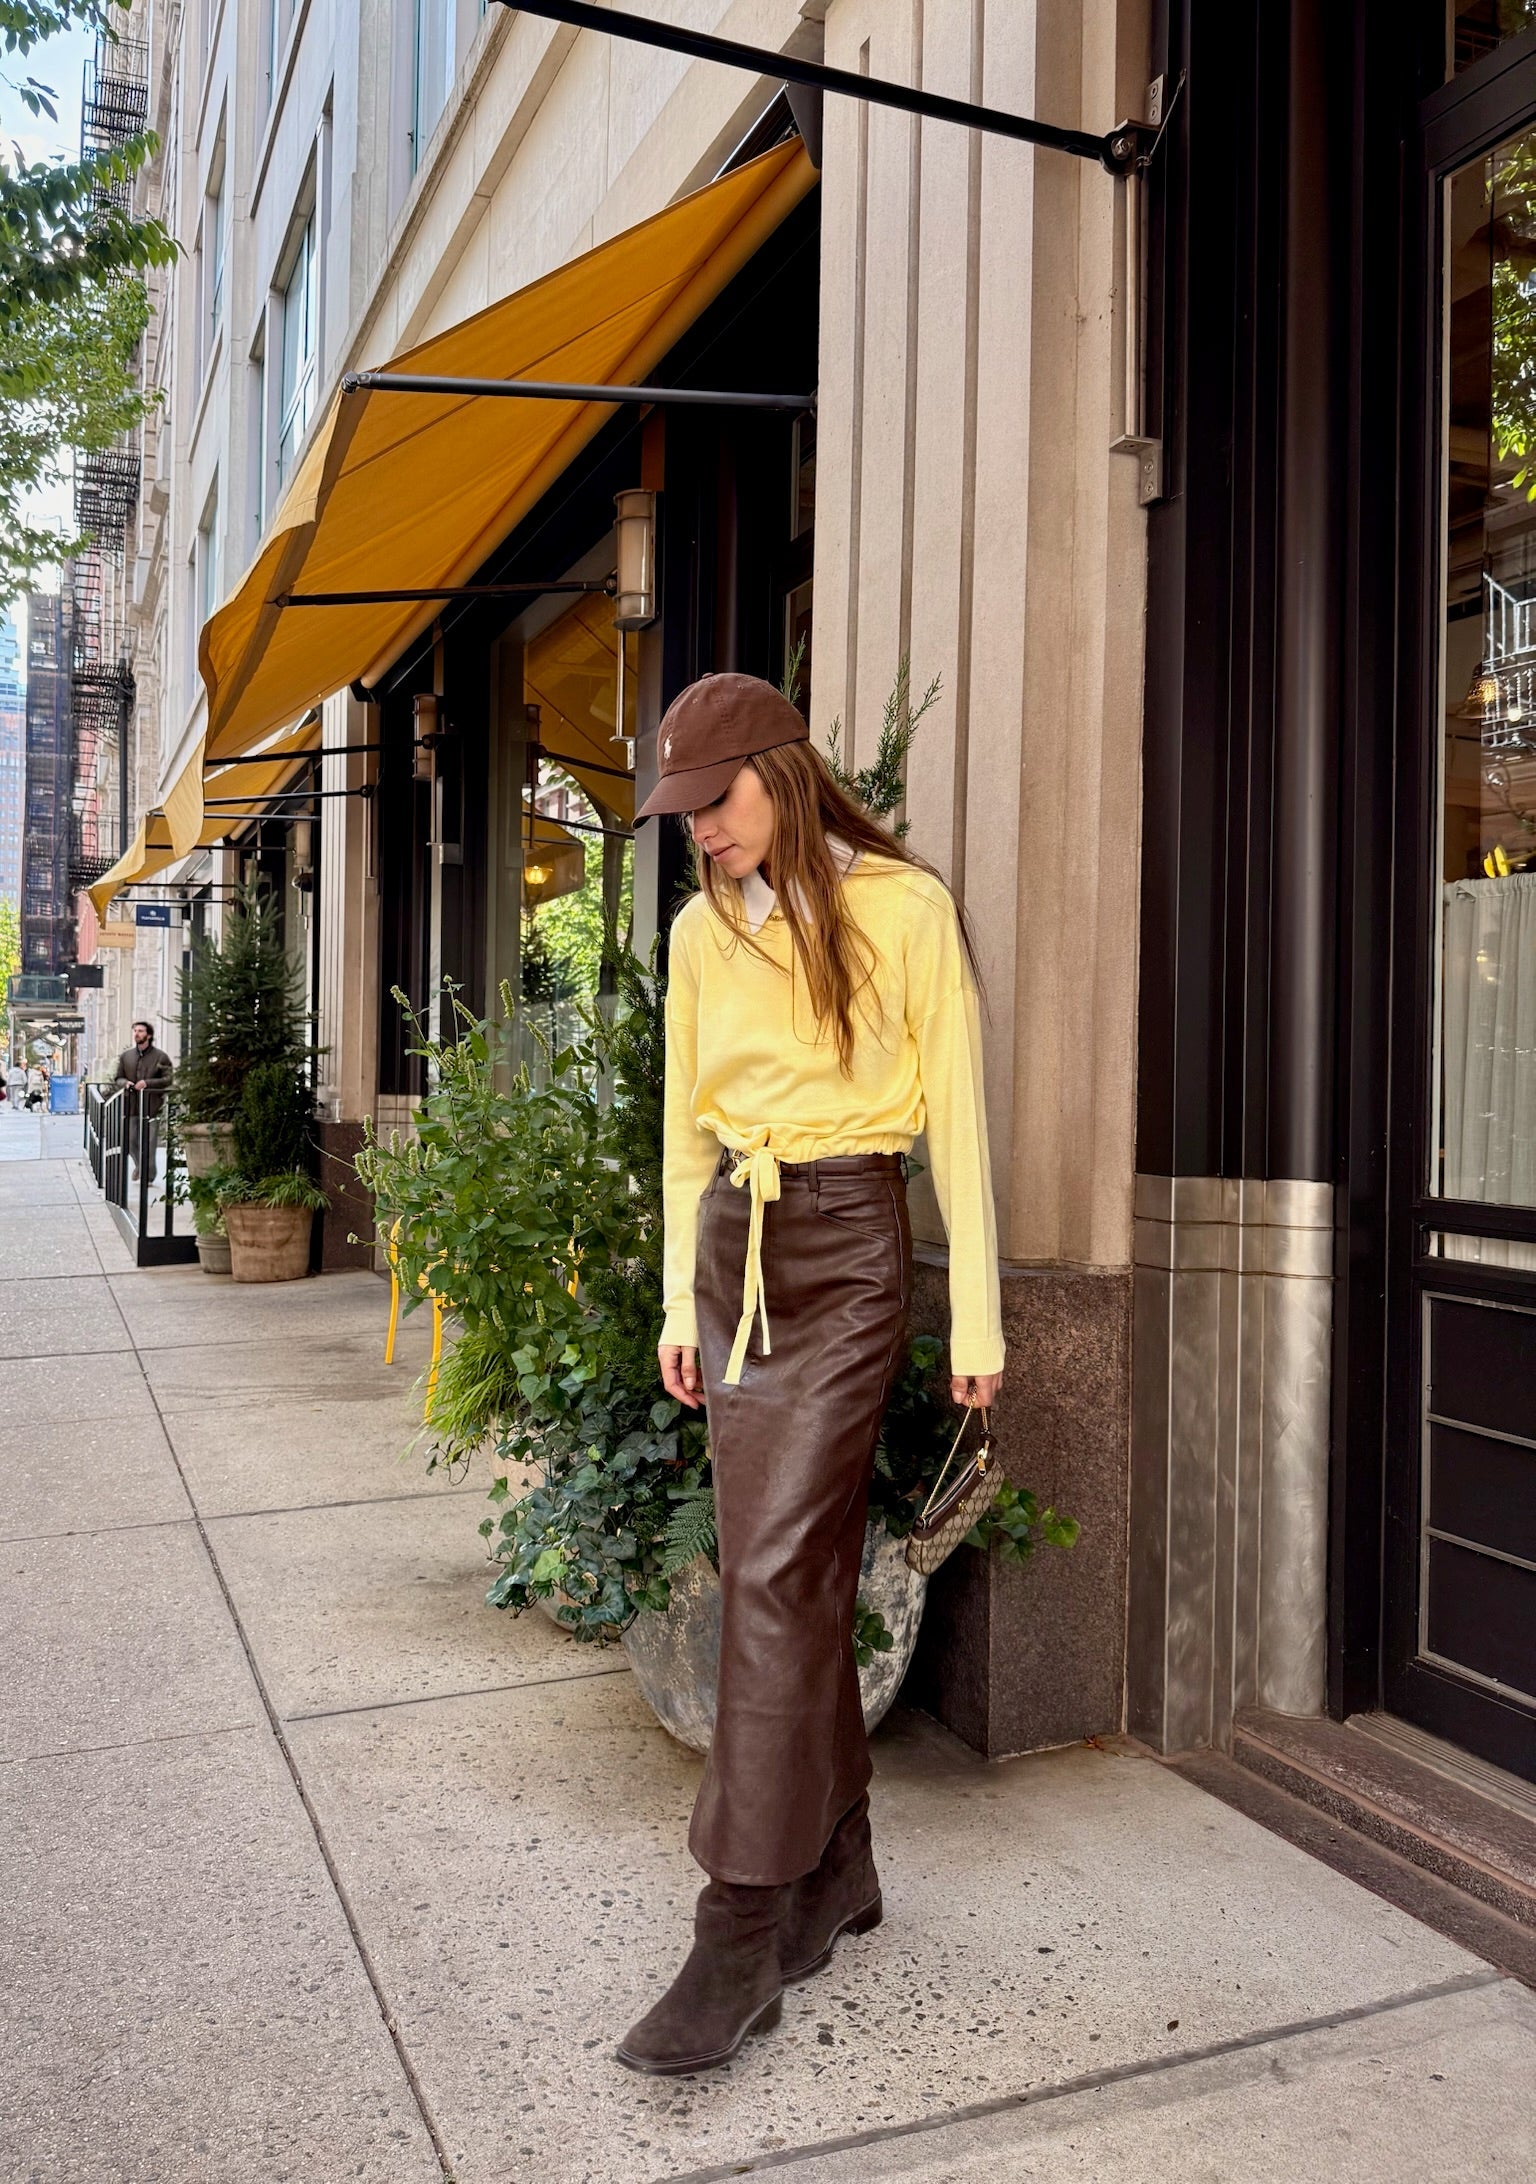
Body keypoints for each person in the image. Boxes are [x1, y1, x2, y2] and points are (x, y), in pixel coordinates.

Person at [617, 673, 1005, 2077]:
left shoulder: (903, 910)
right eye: (682, 813)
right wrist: (679, 1296)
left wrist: (979, 1324)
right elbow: (679, 1137)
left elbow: (955, 1111)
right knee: (790, 1574)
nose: (700, 833)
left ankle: (739, 1926)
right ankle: (837, 1869)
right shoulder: (699, 934)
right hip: (737, 1258)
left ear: (781, 776)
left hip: (849, 1251)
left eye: (714, 803)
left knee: (774, 1576)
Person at [115, 1021, 174, 1181]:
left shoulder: (161, 1056)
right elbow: (118, 1077)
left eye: (140, 1031)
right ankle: (141, 1167)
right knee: (131, 1140)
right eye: (135, 1031)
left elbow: (168, 1079)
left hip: (152, 1105)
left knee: (149, 1143)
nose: (137, 1033)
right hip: (132, 1105)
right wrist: (125, 1083)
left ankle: (148, 1175)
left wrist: (148, 1083)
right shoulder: (126, 1056)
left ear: (148, 1035)